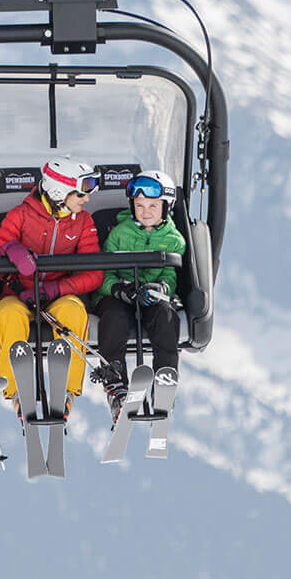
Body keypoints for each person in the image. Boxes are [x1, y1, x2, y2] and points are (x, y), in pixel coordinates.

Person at [0, 156, 103, 410]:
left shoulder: (83, 221)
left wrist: (55, 289)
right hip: (18, 296)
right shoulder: (19, 216)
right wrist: (10, 249)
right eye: (80, 194)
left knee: (74, 310)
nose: (86, 200)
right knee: (9, 314)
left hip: (56, 298)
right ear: (58, 192)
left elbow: (94, 274)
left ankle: (66, 392)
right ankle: (17, 390)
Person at [95, 170, 188, 414]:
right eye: (139, 205)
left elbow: (170, 274)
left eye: (153, 206)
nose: (145, 211)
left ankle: (164, 380)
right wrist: (117, 289)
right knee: (114, 319)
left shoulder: (175, 240)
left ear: (166, 206)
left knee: (166, 317)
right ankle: (116, 384)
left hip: (150, 297)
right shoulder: (119, 234)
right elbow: (104, 271)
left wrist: (162, 288)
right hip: (118, 296)